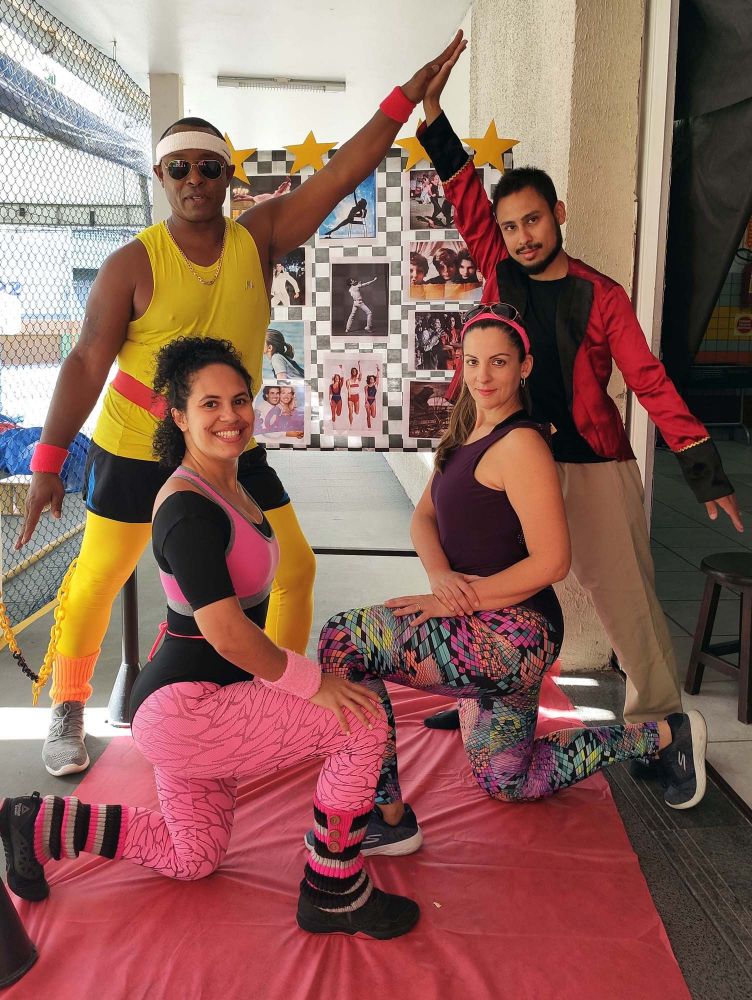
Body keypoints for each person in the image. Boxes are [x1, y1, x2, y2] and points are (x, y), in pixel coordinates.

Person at [15, 30, 468, 777]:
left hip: (227, 443)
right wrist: (47, 462)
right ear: (162, 176)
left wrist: (403, 98)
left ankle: (277, 695)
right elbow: (86, 360)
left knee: (296, 568)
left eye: (209, 166)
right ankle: (68, 704)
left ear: (229, 175)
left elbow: (342, 173)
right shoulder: (132, 263)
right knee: (98, 575)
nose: (194, 179)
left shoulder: (257, 238)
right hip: (135, 444)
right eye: (179, 167)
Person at [0, 337, 420, 939]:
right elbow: (225, 633)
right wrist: (312, 683)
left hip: (200, 704)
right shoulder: (187, 509)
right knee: (362, 723)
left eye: (240, 400)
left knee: (191, 856)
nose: (231, 416)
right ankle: (333, 891)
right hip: (189, 711)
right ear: (178, 415)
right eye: (210, 404)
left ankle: (38, 823)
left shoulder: (233, 481)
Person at [414, 61, 743, 794]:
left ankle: (664, 727)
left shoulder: (603, 294)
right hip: (503, 457)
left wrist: (705, 471)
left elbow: (649, 381)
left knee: (625, 599)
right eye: (509, 226)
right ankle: (478, 694)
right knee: (474, 576)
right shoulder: (499, 271)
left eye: (532, 220)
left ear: (558, 213)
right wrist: (432, 114)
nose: (521, 236)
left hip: (590, 465)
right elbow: (464, 192)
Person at [307, 309, 708, 857]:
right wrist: (441, 578)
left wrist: (457, 602)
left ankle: (385, 814)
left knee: (345, 639)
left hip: (513, 636)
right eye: (472, 362)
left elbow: (552, 562)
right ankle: (665, 735)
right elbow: (423, 518)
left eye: (498, 362)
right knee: (507, 780)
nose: (483, 375)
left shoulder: (522, 445)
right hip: (480, 626)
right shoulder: (464, 432)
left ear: (525, 366)